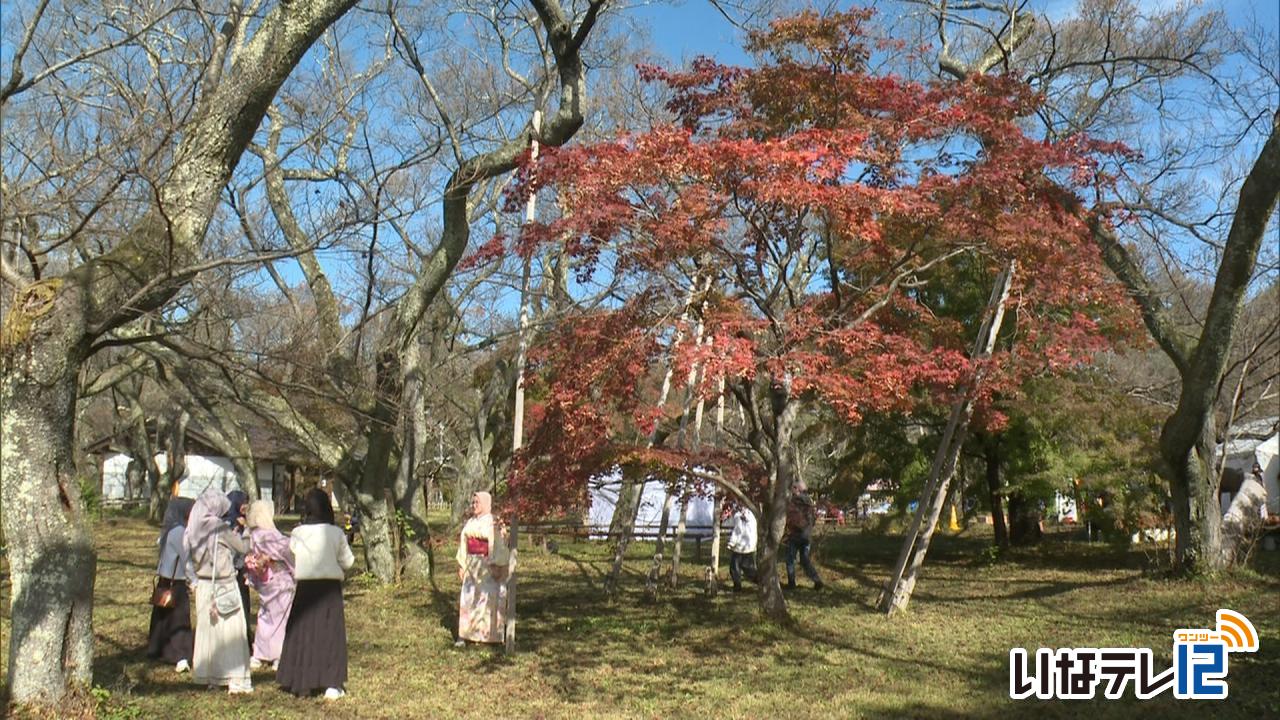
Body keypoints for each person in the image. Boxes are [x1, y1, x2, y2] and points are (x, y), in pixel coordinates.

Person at [277, 488, 354, 700]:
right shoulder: (336, 532)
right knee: (330, 635)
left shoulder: (298, 533)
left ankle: (302, 681)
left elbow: (292, 556)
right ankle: (331, 683)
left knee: (304, 633)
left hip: (305, 588)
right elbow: (349, 561)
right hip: (328, 588)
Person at [183, 490, 253, 694]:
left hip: (204, 585)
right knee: (230, 633)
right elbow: (243, 547)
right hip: (223, 584)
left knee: (208, 633)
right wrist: (247, 529)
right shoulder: (219, 527)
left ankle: (211, 676)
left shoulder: (193, 528)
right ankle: (235, 678)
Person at [244, 500, 296, 670]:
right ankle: (278, 656)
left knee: (264, 616)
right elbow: (288, 552)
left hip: (263, 579)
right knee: (281, 618)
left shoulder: (252, 535)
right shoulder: (272, 536)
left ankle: (258, 654)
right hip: (280, 579)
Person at [147, 497, 196, 673]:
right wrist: (194, 581)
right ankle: (181, 656)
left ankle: (157, 649)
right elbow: (186, 560)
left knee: (162, 618)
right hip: (177, 582)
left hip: (164, 580)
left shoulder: (167, 530)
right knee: (180, 619)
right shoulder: (180, 532)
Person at [455, 491, 509, 646]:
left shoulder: (494, 522)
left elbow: (500, 544)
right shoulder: (470, 522)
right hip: (472, 565)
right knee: (469, 599)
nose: (474, 505)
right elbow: (464, 544)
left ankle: (489, 636)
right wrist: (462, 564)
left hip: (488, 566)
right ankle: (466, 635)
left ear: (485, 503)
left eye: (477, 502)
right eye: (473, 502)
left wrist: (498, 564)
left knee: (487, 600)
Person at [784, 481, 824, 591]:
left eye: (793, 488)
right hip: (806, 536)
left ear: (797, 489)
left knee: (790, 560)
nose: (792, 490)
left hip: (795, 535)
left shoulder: (794, 502)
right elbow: (813, 519)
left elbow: (790, 518)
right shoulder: (809, 502)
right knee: (805, 560)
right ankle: (817, 581)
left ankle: (791, 583)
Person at [224, 489, 252, 631]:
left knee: (244, 603)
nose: (245, 506)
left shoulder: (244, 522)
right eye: (242, 502)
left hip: (242, 569)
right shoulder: (228, 523)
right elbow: (238, 547)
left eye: (246, 502)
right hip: (230, 570)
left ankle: (245, 634)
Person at [726, 505, 758, 593]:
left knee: (737, 568)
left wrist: (731, 543)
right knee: (744, 569)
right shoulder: (752, 517)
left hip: (742, 547)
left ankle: (759, 581)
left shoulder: (741, 517)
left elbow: (737, 532)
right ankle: (738, 586)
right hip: (748, 547)